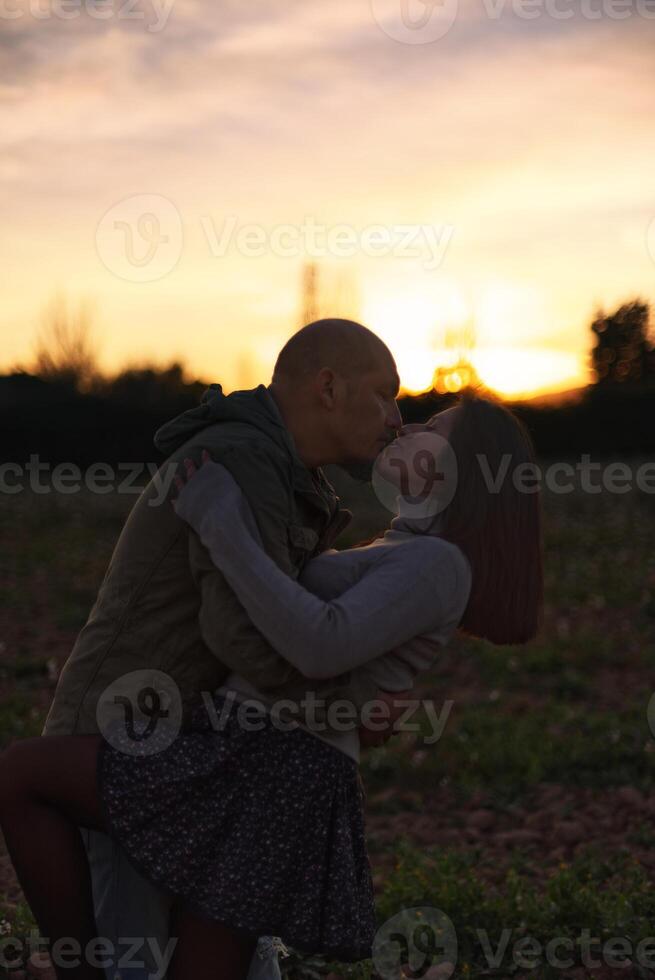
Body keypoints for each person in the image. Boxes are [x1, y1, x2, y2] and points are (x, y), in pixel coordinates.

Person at [0, 387, 543, 980]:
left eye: (434, 427)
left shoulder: (439, 565)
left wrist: (221, 521)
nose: (408, 427)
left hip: (274, 768)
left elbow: (319, 644)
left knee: (25, 776)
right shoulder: (410, 548)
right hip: (259, 760)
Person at [33, 317, 406, 980]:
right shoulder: (243, 461)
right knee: (136, 967)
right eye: (384, 394)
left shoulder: (286, 473)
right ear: (327, 387)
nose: (395, 419)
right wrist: (346, 705)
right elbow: (241, 633)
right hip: (127, 745)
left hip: (188, 753)